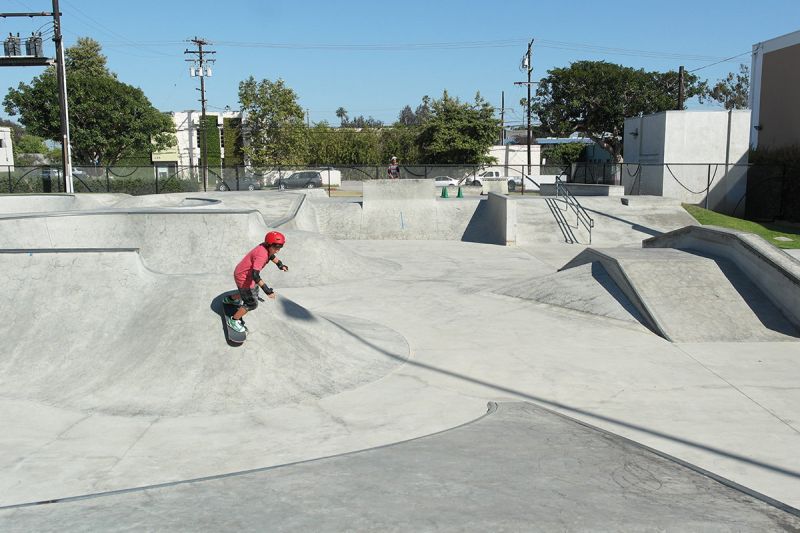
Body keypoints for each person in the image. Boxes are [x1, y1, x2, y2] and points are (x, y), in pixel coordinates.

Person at [223, 231, 289, 333]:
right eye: (276, 247)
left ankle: (230, 299)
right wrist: (267, 290)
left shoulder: (266, 247)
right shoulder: (261, 255)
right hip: (243, 276)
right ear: (269, 244)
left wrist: (280, 265)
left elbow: (271, 255)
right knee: (252, 303)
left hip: (244, 273)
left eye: (280, 247)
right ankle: (233, 320)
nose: (278, 250)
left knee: (251, 292)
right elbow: (255, 275)